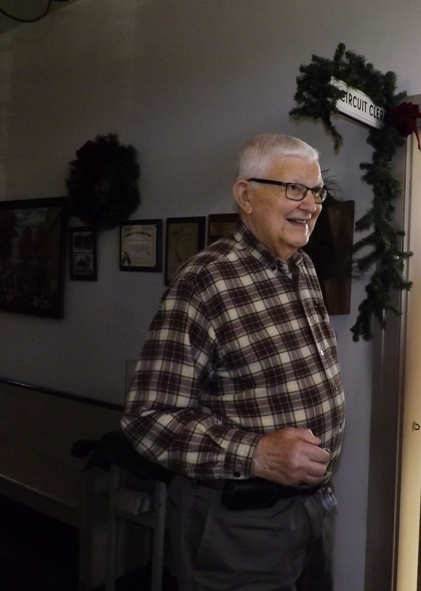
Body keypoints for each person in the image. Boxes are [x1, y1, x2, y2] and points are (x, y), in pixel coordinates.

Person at [122, 133, 345, 591]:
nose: (310, 205)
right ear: (245, 195)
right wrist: (257, 454)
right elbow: (148, 418)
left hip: (313, 510)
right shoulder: (205, 280)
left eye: (317, 191)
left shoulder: (302, 268)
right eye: (294, 189)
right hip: (241, 523)